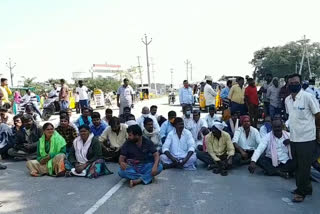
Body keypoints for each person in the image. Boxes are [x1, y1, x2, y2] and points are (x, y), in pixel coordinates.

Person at [285, 73, 320, 203]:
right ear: (288, 84)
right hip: (294, 138)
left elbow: (318, 115)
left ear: (300, 83)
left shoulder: (308, 97)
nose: (293, 85)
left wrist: (318, 133)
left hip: (307, 138)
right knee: (298, 165)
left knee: (304, 166)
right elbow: (291, 117)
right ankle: (307, 188)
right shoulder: (287, 100)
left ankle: (301, 192)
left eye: (296, 82)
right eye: (291, 83)